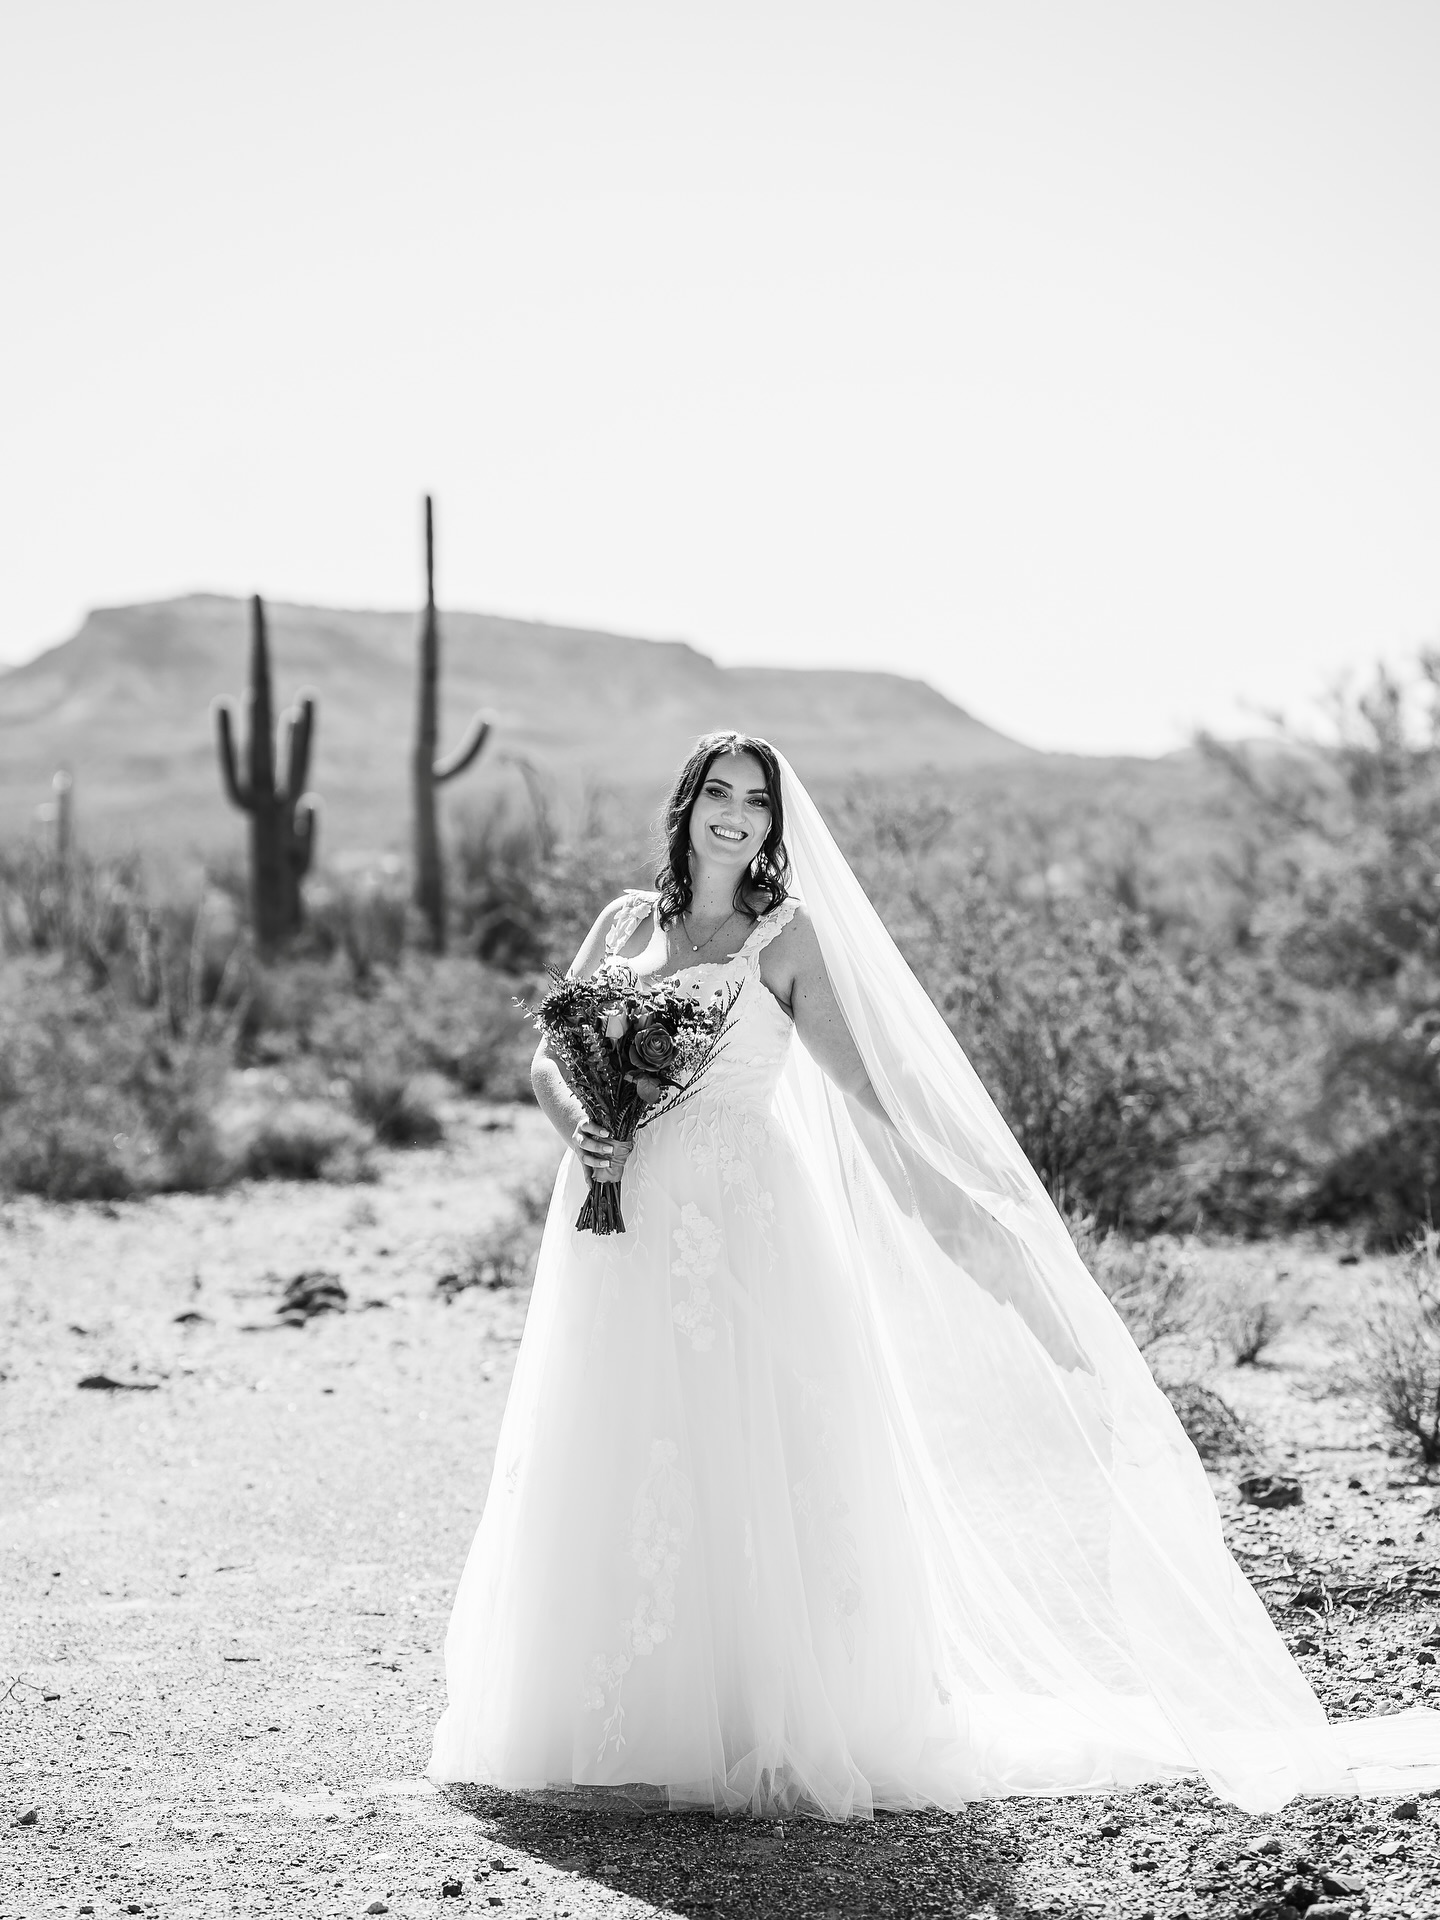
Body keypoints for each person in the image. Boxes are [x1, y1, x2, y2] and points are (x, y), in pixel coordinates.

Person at [430, 731, 1440, 1819]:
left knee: (739, 1441)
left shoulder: (786, 935)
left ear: (775, 823)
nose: (734, 813)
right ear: (684, 807)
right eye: (716, 793)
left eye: (755, 801)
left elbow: (860, 1081)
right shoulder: (625, 923)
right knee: (616, 1431)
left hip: (740, 1215)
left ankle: (742, 1713)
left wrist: (960, 1179)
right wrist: (583, 1126)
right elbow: (549, 1054)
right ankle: (608, 1708)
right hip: (611, 1210)